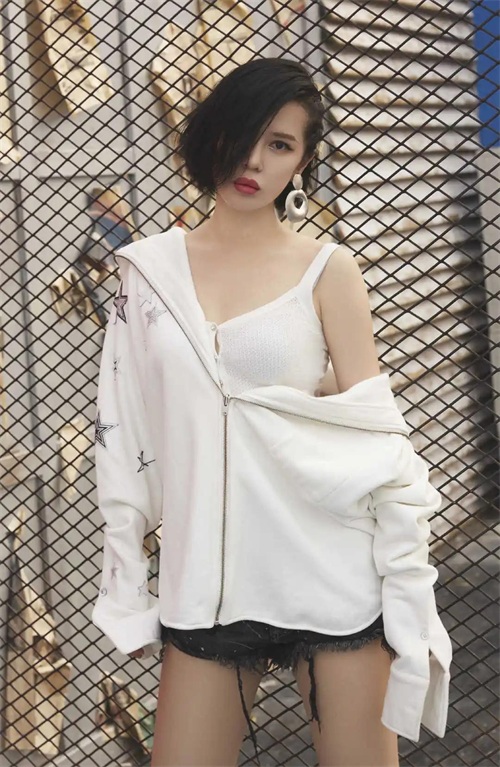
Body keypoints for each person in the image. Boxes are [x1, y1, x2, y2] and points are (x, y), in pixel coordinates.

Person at [92, 57, 452, 767]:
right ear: (211, 133)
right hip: (208, 588)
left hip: (333, 572)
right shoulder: (147, 273)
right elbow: (122, 434)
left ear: (302, 163)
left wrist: (407, 585)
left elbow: (376, 436)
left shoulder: (328, 270)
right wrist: (127, 583)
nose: (254, 159)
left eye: (280, 144)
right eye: (244, 132)